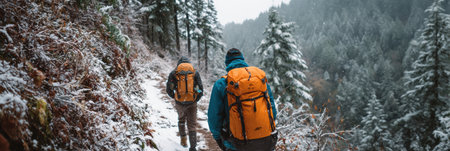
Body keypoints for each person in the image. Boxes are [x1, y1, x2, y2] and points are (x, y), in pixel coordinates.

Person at [208, 48, 278, 151]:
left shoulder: (222, 83)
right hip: (265, 141)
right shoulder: (259, 80)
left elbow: (214, 116)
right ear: (243, 60)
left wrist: (218, 137)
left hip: (236, 143)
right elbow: (272, 110)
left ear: (227, 63)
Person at [166, 56, 203, 151]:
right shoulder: (194, 72)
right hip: (192, 102)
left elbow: (169, 89)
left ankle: (183, 140)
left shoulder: (174, 73)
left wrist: (175, 97)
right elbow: (200, 89)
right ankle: (193, 147)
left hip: (179, 102)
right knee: (192, 124)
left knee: (181, 120)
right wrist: (195, 99)